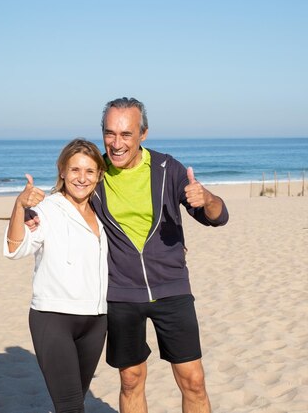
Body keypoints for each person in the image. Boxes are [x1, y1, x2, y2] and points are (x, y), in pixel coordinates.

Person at [93, 97, 228, 413]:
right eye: (109, 133)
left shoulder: (168, 169)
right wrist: (29, 209)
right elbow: (64, 210)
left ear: (143, 134)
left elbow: (218, 216)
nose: (116, 143)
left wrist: (206, 198)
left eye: (126, 134)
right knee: (130, 380)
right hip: (121, 293)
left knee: (193, 380)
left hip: (172, 288)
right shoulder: (94, 173)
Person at [4, 138, 109, 413]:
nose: (82, 178)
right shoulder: (46, 210)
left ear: (99, 174)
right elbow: (16, 250)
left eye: (89, 171)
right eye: (75, 170)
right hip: (53, 318)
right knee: (71, 406)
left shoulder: (104, 213)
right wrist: (18, 207)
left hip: (96, 320)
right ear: (62, 171)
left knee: (74, 400)